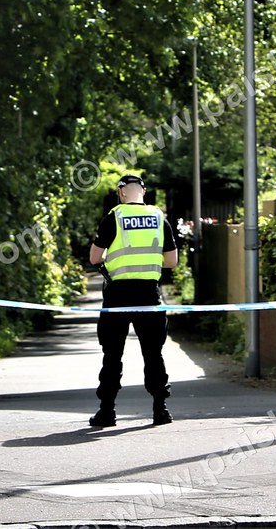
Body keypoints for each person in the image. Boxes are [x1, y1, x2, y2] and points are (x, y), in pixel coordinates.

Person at [88, 174, 178, 427]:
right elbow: (171, 261)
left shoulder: (114, 217)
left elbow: (95, 258)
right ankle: (161, 410)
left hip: (118, 295)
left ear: (121, 192)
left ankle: (107, 411)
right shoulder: (160, 218)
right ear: (144, 192)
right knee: (153, 353)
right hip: (149, 294)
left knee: (112, 354)